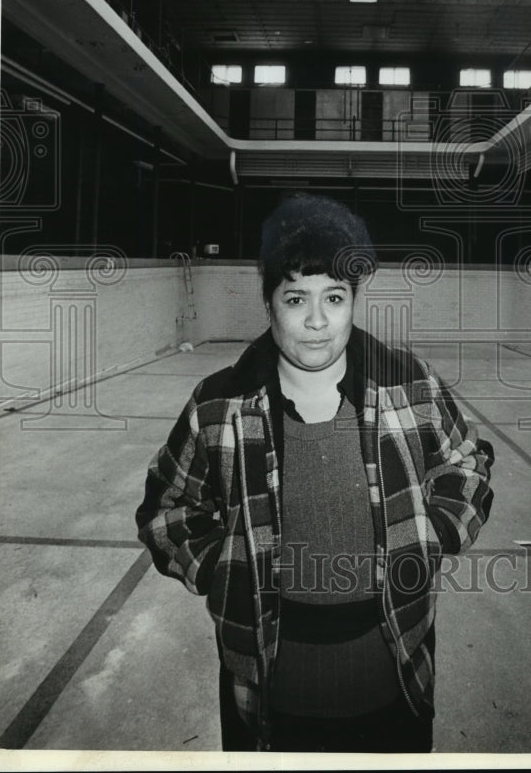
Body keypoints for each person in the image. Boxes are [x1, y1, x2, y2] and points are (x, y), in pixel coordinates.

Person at [136, 194, 494, 753]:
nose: (318, 321)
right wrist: (219, 571)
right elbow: (166, 508)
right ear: (270, 303)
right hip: (268, 701)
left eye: (335, 297)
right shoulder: (218, 404)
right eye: (296, 297)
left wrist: (440, 531)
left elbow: (467, 462)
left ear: (354, 299)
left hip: (396, 680)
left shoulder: (410, 383)